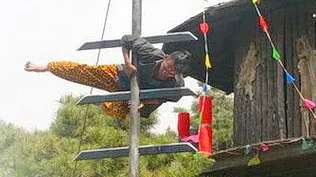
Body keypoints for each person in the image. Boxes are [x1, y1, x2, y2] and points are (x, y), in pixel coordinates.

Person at [24, 35, 192, 118]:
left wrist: (142, 102)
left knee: (118, 111)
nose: (166, 72)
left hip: (135, 96)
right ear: (166, 57)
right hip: (120, 75)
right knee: (84, 71)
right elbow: (126, 40)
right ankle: (47, 66)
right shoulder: (151, 52)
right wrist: (127, 63)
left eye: (172, 72)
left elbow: (163, 99)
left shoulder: (176, 86)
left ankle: (100, 102)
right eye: (167, 67)